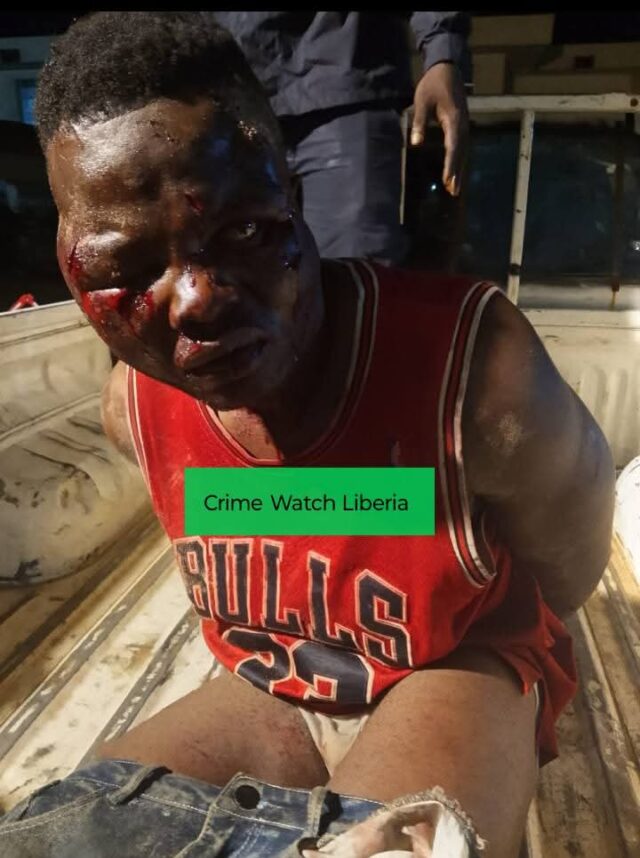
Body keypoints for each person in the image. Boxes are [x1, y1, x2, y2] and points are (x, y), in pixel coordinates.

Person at [2, 12, 614, 858]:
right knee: (65, 837)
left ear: (296, 197)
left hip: (461, 662)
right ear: (69, 259)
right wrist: (375, 514)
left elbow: (570, 559)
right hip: (273, 682)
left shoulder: (477, 374)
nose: (195, 300)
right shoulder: (133, 408)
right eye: (124, 268)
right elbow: (300, 505)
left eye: (246, 233)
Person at [213, 12, 471, 265]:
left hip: (346, 73)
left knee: (355, 270)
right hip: (229, 96)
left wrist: (442, 53)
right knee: (228, 274)